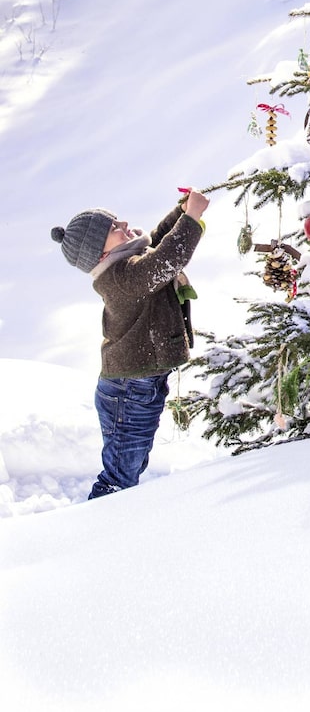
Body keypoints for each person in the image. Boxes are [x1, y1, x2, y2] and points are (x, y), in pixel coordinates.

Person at [51, 187, 209, 498]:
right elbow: (164, 261)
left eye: (115, 220)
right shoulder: (121, 277)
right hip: (129, 390)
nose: (123, 224)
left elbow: (157, 241)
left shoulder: (126, 261)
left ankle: (115, 522)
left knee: (132, 463)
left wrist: (181, 211)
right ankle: (99, 526)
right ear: (100, 251)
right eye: (113, 228)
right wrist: (191, 218)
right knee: (120, 475)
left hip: (135, 385)